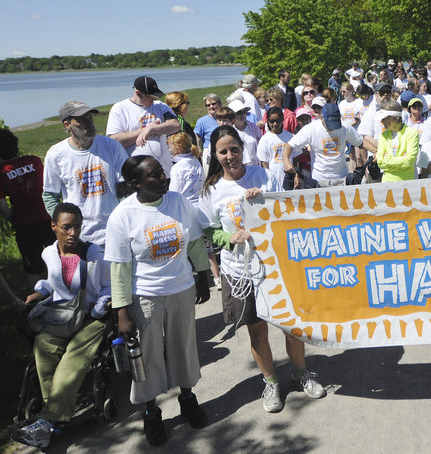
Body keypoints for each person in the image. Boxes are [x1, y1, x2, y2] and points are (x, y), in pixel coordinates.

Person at [199, 125, 325, 413]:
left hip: (275, 266)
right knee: (258, 333)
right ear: (215, 155)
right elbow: (210, 229)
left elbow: (285, 214)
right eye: (223, 151)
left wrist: (264, 201)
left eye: (234, 149)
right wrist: (228, 238)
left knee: (291, 328)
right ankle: (271, 382)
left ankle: (300, 373)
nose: (230, 155)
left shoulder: (264, 176)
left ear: (243, 149)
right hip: (240, 271)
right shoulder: (211, 190)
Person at [107, 156, 211, 446]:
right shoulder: (123, 215)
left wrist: (201, 275)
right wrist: (122, 313)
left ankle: (188, 398)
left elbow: (193, 241)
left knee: (184, 347)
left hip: (181, 290)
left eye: (162, 172)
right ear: (136, 183)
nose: (164, 177)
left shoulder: (177, 201)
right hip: (145, 298)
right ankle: (151, 412)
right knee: (148, 358)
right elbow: (120, 268)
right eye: (155, 175)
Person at [15, 203, 111, 449]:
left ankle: (47, 422)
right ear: (53, 226)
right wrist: (39, 292)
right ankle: (57, 409)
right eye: (66, 227)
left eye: (77, 227)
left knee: (73, 355)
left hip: (90, 317)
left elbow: (109, 286)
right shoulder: (48, 253)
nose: (73, 233)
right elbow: (52, 282)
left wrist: (100, 306)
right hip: (62, 315)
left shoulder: (94, 254)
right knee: (42, 345)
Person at [43, 101, 128, 246]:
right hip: (80, 237)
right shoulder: (56, 155)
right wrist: (65, 227)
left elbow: (125, 187)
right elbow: (50, 195)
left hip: (115, 231)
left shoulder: (111, 146)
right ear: (67, 125)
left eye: (90, 118)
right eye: (81, 120)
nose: (89, 123)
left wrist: (127, 219)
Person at [0, 128, 55, 287]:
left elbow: (3, 207)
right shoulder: (35, 161)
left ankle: (38, 302)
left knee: (34, 268)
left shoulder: (2, 173)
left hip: (23, 225)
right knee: (59, 258)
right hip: (46, 218)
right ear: (15, 144)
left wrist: (12, 218)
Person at [167, 132, 221, 289]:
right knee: (207, 246)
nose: (169, 149)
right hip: (201, 208)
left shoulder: (177, 168)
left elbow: (174, 193)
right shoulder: (195, 161)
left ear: (177, 148)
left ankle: (186, 279)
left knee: (186, 247)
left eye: (170, 146)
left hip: (185, 210)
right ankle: (217, 277)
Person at [284, 103, 377, 187]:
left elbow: (361, 142)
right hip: (319, 179)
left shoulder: (345, 127)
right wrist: (286, 161)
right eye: (329, 124)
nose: (332, 128)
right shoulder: (310, 129)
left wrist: (376, 151)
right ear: (321, 117)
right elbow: (289, 146)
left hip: (342, 178)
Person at [106, 76, 179, 175]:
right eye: (150, 97)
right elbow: (115, 140)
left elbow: (175, 125)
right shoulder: (120, 109)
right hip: (137, 174)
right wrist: (144, 130)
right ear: (138, 93)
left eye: (155, 96)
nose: (153, 100)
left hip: (164, 173)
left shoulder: (161, 106)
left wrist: (152, 129)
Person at [376, 101, 419, 181]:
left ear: (395, 119)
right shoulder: (383, 135)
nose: (382, 121)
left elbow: (409, 161)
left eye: (384, 118)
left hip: (407, 183)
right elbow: (380, 162)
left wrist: (387, 158)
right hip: (387, 182)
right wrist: (401, 160)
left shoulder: (412, 133)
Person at [257, 107, 298, 187]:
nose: (275, 124)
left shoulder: (290, 137)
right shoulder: (265, 140)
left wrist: (296, 175)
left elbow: (296, 158)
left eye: (278, 121)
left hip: (290, 179)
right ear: (267, 121)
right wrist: (269, 180)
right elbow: (264, 163)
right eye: (272, 121)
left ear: (282, 120)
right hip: (273, 180)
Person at [193, 93, 223, 173]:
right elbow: (198, 138)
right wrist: (200, 152)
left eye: (213, 104)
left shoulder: (224, 117)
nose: (211, 107)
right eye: (208, 105)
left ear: (220, 104)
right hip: (209, 152)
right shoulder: (202, 121)